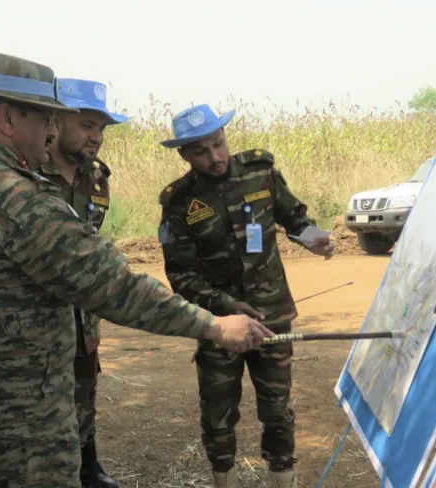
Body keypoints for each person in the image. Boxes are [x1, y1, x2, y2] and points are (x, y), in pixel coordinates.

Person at [0, 52, 272, 487]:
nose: (51, 132)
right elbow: (113, 286)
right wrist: (216, 327)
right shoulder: (14, 196)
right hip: (16, 421)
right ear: (8, 118)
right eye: (45, 120)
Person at [156, 104, 335, 488]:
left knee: (277, 409)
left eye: (218, 144)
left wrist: (313, 237)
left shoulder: (260, 171)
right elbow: (181, 275)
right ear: (184, 155)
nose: (215, 156)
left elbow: (294, 218)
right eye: (201, 151)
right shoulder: (179, 202)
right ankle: (225, 480)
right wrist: (225, 306)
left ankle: (283, 479)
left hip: (272, 315)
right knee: (219, 412)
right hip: (219, 325)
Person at [39, 78, 128, 488]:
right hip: (38, 319)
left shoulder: (97, 179)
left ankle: (88, 465)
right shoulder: (25, 174)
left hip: (82, 316)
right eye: (88, 124)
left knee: (85, 387)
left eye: (102, 128)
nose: (96, 137)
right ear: (55, 121)